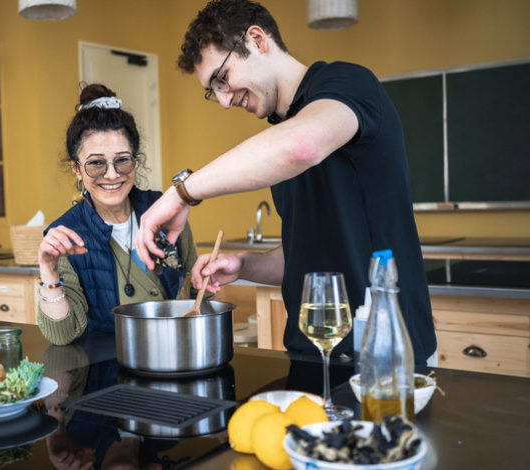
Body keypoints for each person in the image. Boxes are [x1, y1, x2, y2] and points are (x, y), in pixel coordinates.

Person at [134, 0, 437, 365]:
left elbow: (302, 146)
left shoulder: (348, 83)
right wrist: (244, 265)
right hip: (312, 354)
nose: (225, 101)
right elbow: (307, 253)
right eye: (212, 92)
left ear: (258, 40)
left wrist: (181, 193)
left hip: (386, 353)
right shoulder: (281, 136)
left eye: (222, 79)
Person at [37, 83, 200, 346]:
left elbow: (198, 291)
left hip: (178, 355)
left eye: (122, 160)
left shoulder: (164, 208)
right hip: (111, 372)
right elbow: (62, 335)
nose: (112, 175)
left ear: (136, 159)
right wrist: (48, 269)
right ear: (76, 169)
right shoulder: (66, 233)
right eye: (96, 163)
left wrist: (205, 281)